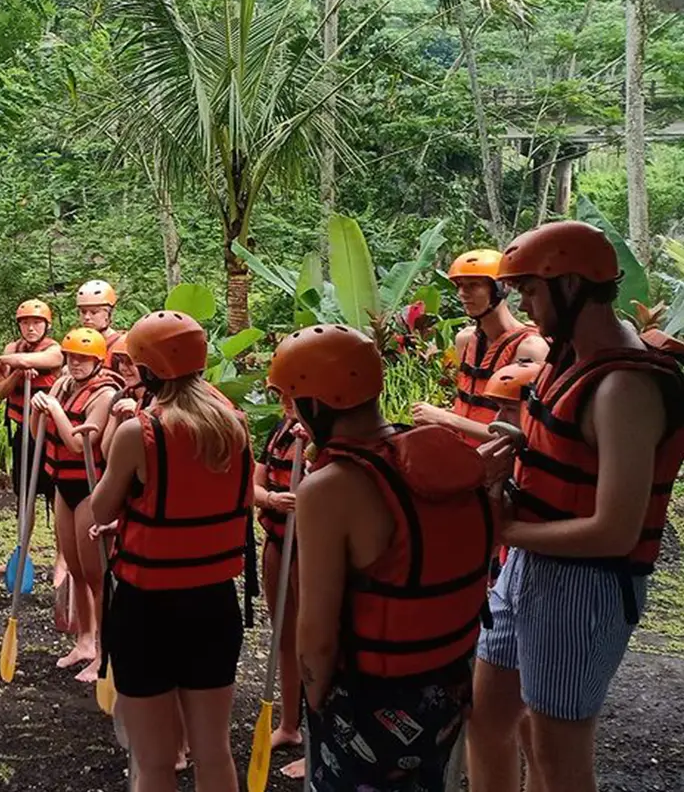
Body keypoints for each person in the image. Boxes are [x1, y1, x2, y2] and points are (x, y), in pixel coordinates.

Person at [466, 221, 684, 792]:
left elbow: (615, 531)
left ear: (572, 286)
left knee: (555, 756)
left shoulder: (623, 389)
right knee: (486, 717)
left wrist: (506, 529)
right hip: (529, 571)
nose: (528, 307)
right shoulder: (570, 356)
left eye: (533, 292)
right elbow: (570, 449)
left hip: (584, 586)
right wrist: (523, 442)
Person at [268, 324, 493, 792]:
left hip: (371, 698)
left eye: (295, 402)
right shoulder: (436, 453)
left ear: (317, 404)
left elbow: (317, 634)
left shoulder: (330, 488)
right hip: (449, 683)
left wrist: (317, 704)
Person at [92, 311, 253, 792]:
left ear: (148, 369)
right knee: (213, 751)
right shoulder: (234, 427)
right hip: (213, 604)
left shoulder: (139, 431)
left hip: (148, 608)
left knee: (156, 762)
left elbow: (102, 503)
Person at [33, 327, 118, 680]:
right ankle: (84, 640)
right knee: (77, 572)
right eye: (71, 357)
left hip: (89, 486)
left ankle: (104, 651)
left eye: (84, 358)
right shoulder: (63, 385)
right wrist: (41, 409)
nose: (76, 363)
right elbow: (41, 435)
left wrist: (53, 407)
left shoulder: (107, 394)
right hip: (62, 486)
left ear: (98, 361)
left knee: (97, 574)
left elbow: (79, 445)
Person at [413, 250, 547, 444]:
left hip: (504, 465)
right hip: (466, 456)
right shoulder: (465, 340)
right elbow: (471, 410)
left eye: (473, 285)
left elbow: (523, 435)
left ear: (500, 288)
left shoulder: (530, 348)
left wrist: (447, 419)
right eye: (459, 286)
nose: (462, 293)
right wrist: (437, 417)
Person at [252, 393, 305, 753]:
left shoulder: (333, 436)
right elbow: (251, 487)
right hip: (278, 540)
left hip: (315, 548)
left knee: (314, 643)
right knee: (284, 635)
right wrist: (271, 500)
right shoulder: (279, 429)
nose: (285, 399)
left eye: (293, 392)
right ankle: (289, 725)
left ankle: (318, 739)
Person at [0, 299, 63, 509]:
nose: (31, 328)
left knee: (53, 494)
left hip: (49, 434)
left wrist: (5, 361)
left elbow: (26, 360)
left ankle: (60, 540)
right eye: (25, 323)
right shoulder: (12, 348)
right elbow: (1, 391)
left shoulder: (55, 350)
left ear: (46, 325)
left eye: (37, 323)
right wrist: (17, 374)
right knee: (23, 495)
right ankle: (23, 541)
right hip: (23, 432)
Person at [76, 280, 124, 368]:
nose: (87, 317)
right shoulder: (76, 343)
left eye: (94, 312)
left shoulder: (120, 345)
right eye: (83, 312)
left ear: (109, 314)